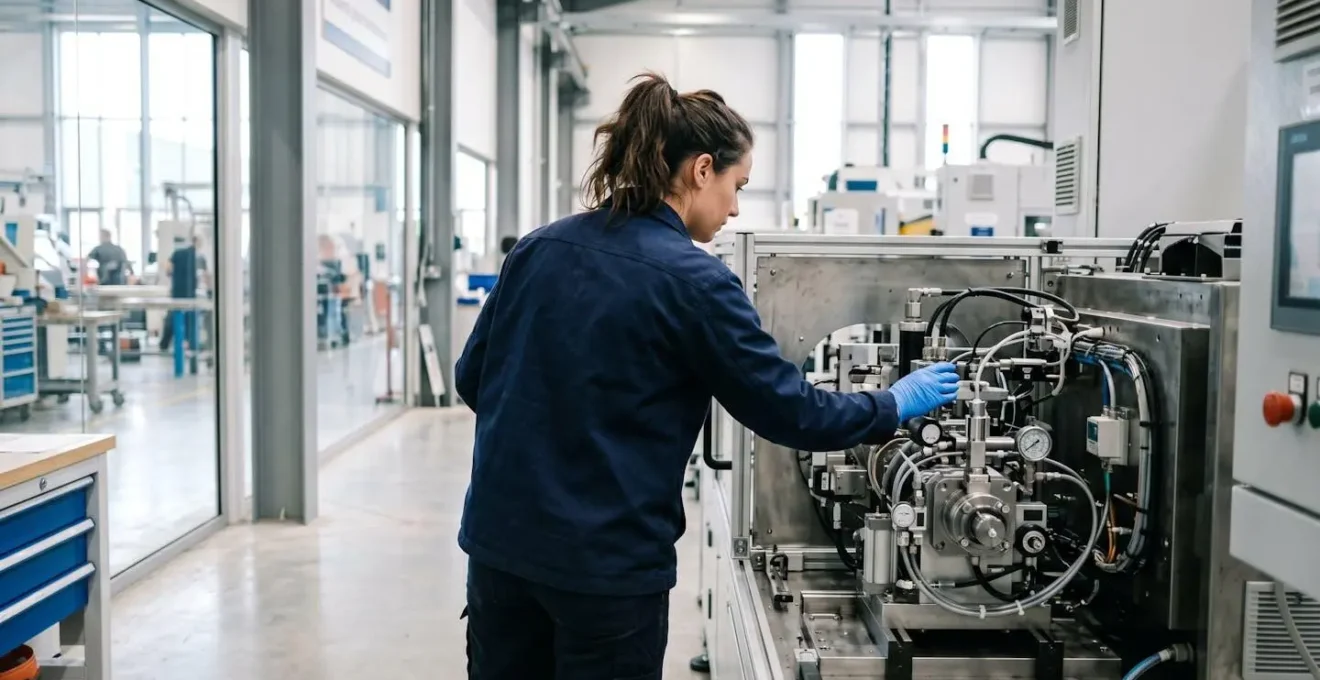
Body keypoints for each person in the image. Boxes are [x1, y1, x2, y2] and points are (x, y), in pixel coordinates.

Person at [454, 72, 960, 680]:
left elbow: (472, 378)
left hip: (499, 553)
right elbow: (791, 411)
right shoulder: (696, 283)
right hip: (606, 572)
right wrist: (891, 404)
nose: (736, 207)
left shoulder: (538, 248)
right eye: (736, 185)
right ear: (700, 170)